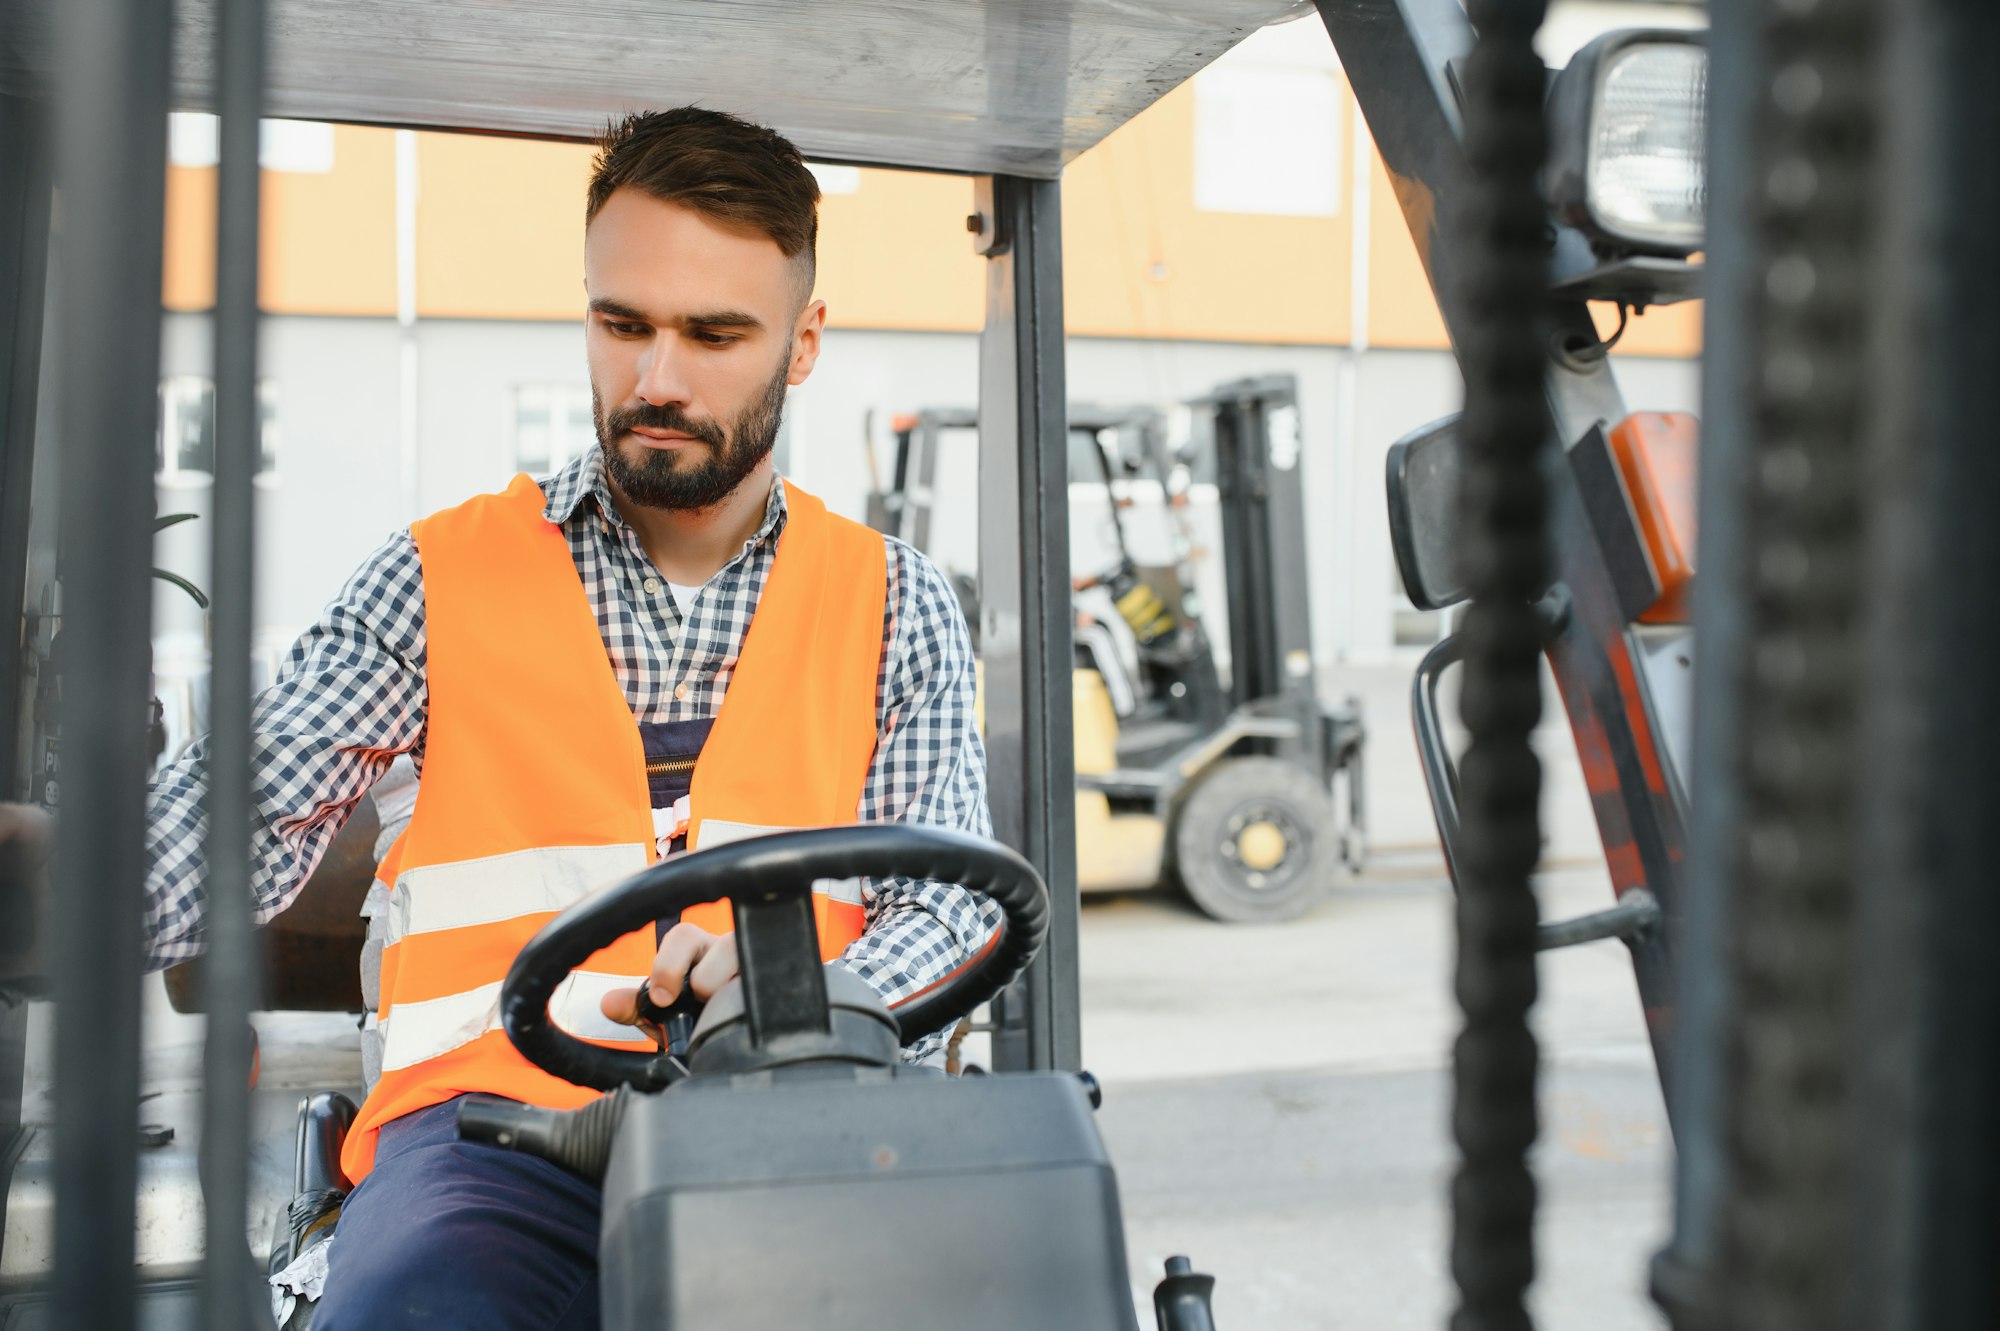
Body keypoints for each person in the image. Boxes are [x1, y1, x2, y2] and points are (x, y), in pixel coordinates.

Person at [14, 106, 997, 1330]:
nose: (656, 379)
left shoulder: (893, 602)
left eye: (715, 333)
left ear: (803, 344)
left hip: (803, 1117)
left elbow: (950, 903)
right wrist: (52, 888)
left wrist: (808, 988)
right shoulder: (435, 578)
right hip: (491, 1136)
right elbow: (236, 818)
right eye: (621, 323)